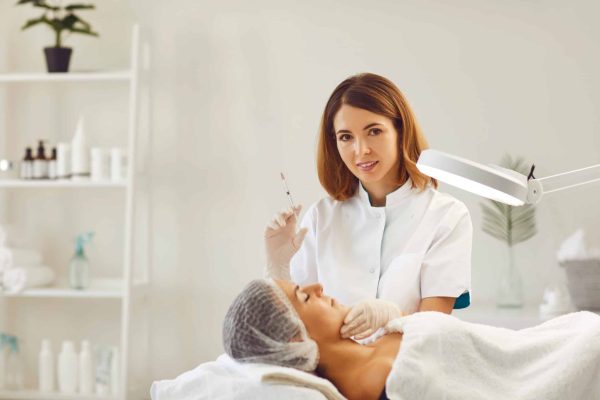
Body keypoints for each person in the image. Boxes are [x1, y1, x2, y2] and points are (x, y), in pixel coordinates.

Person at [265, 72, 473, 340]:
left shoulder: (446, 216)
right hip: (330, 375)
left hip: (407, 370)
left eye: (374, 131)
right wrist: (277, 269)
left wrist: (393, 318)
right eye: (345, 137)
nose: (361, 150)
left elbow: (434, 331)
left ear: (401, 130)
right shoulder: (321, 218)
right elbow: (292, 330)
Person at [223, 279, 600, 400]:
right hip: (572, 366)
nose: (317, 285)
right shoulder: (390, 384)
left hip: (562, 343)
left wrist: (398, 318)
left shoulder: (373, 344)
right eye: (305, 297)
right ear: (294, 338)